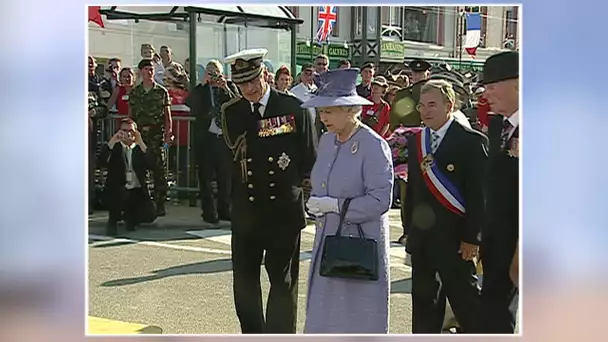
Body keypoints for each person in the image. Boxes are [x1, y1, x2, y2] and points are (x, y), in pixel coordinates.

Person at [221, 48, 317, 334]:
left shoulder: (292, 107)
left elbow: (309, 156)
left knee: (282, 280)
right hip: (247, 210)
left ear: (265, 75)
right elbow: (229, 156)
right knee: (245, 281)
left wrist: (308, 196)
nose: (249, 88)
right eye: (241, 83)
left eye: (252, 80)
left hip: (282, 209)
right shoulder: (232, 111)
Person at [302, 68, 393, 334]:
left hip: (359, 245)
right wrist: (316, 202)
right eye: (321, 111)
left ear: (350, 109)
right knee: (323, 312)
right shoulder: (328, 140)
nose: (323, 117)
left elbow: (380, 199)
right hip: (328, 240)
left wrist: (337, 206)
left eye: (329, 110)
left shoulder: (373, 145)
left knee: (357, 316)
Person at [403, 79, 488, 333]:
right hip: (423, 241)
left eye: (432, 105)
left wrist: (473, 238)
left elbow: (479, 196)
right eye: (421, 105)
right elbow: (414, 193)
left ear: (449, 106)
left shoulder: (471, 141)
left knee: (467, 306)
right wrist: (410, 232)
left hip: (455, 240)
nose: (425, 111)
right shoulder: (417, 141)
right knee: (424, 308)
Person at [478, 51, 520, 334]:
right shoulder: (497, 127)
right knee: (492, 315)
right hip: (495, 243)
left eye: (493, 86)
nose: (486, 94)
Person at [185, 60, 240, 224]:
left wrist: (225, 87)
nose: (214, 75)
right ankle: (209, 213)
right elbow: (189, 104)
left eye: (216, 71)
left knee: (225, 178)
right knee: (206, 179)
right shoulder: (201, 90)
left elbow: (238, 104)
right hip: (206, 139)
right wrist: (202, 84)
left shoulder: (228, 87)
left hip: (223, 139)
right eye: (210, 72)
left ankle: (225, 209)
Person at [128, 58, 173, 217]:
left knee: (159, 172)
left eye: (152, 69)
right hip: (139, 137)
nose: (150, 72)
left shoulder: (161, 92)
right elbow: (130, 116)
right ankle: (143, 203)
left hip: (156, 136)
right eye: (146, 69)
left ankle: (160, 204)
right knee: (139, 170)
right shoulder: (135, 92)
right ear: (141, 72)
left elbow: (167, 116)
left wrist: (168, 134)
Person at [100, 118, 157, 235]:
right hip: (118, 189)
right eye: (124, 131)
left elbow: (153, 165)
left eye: (131, 131)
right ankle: (113, 220)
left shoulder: (139, 148)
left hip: (136, 189)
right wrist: (112, 141)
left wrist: (140, 142)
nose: (128, 134)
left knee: (150, 213)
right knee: (118, 194)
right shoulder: (115, 147)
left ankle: (131, 218)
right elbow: (101, 162)